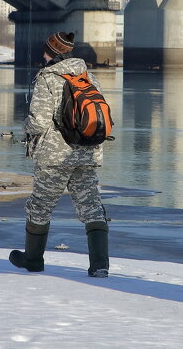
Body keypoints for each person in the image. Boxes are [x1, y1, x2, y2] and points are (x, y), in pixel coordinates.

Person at [10, 31, 110, 277]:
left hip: (55, 156)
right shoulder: (89, 77)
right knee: (90, 205)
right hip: (88, 153)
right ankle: (100, 265)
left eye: (45, 51)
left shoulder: (48, 77)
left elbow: (39, 121)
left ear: (51, 52)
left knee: (41, 205)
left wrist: (25, 127)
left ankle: (33, 259)